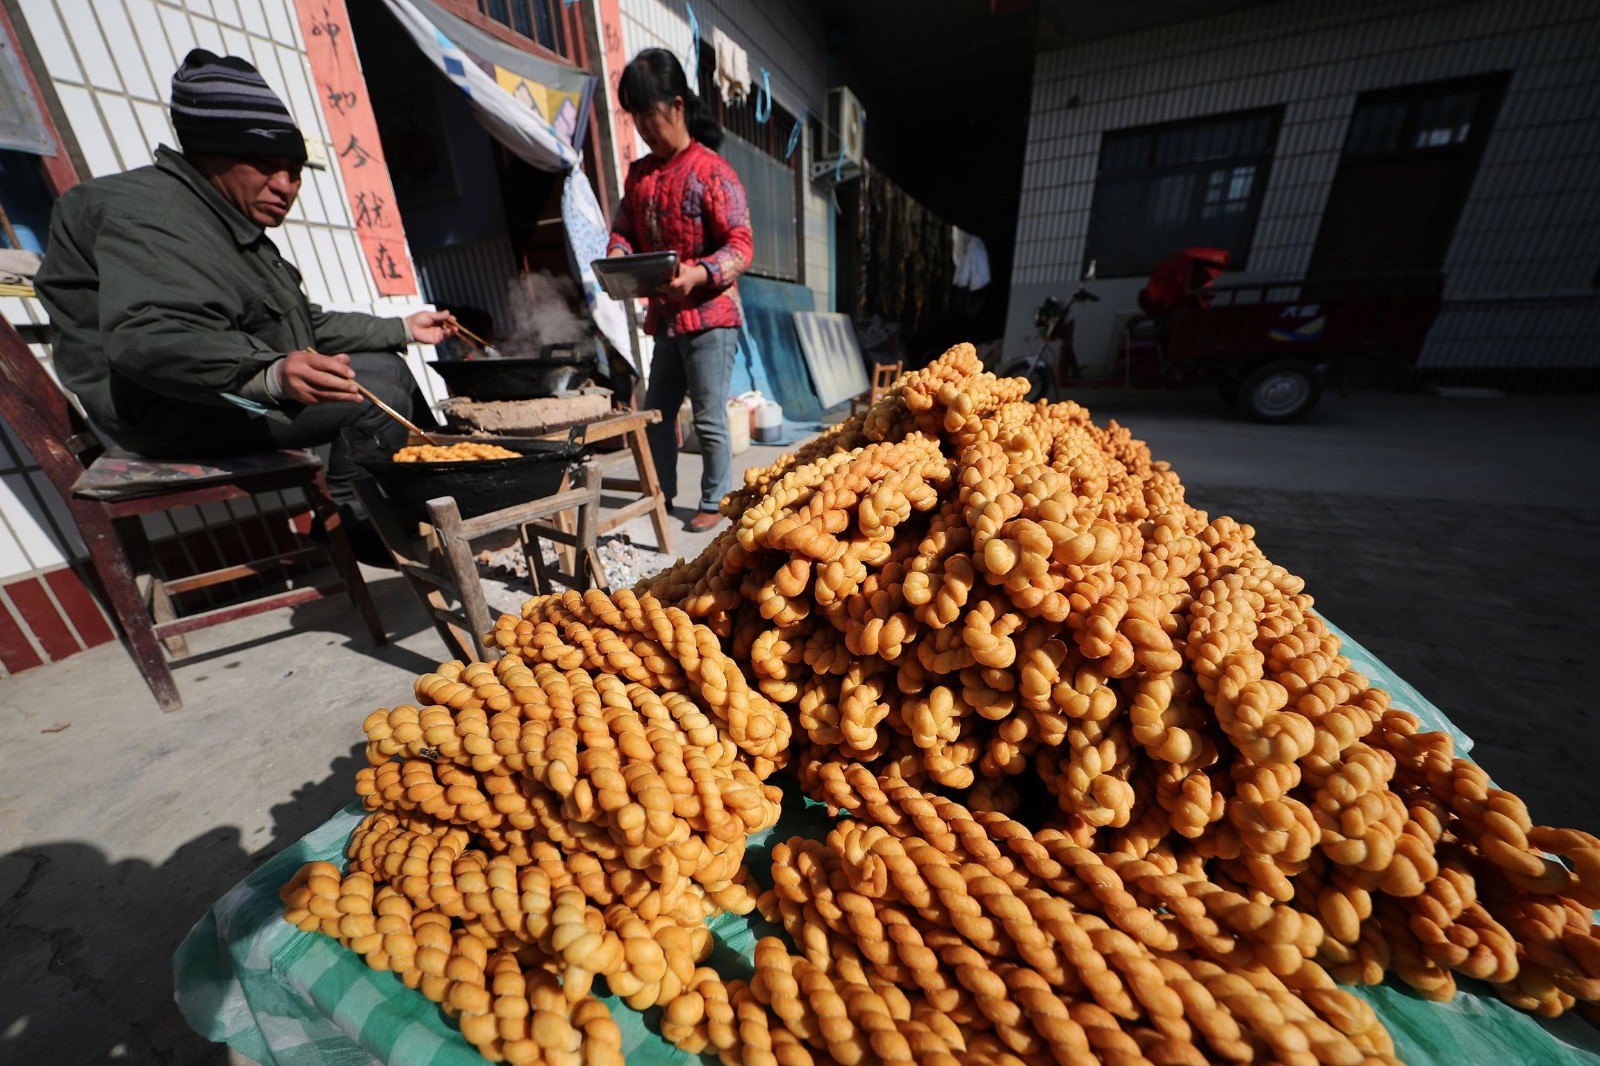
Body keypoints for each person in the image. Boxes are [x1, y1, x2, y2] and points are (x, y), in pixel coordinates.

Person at [34, 49, 453, 550]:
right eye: (265, 165)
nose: (285, 186)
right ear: (211, 152)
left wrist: (404, 328)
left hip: (207, 394)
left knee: (386, 364)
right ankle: (354, 518)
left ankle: (439, 482)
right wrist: (271, 373)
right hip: (166, 410)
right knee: (377, 383)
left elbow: (303, 325)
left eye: (295, 171)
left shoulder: (225, 223)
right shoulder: (155, 216)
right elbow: (148, 339)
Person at [606, 48, 752, 534]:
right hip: (667, 320)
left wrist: (699, 273)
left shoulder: (713, 171)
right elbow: (624, 229)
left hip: (712, 317)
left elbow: (741, 245)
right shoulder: (640, 176)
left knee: (709, 417)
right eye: (636, 119)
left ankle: (715, 499)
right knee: (657, 415)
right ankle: (661, 493)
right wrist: (620, 256)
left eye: (651, 116)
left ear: (678, 106)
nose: (645, 128)